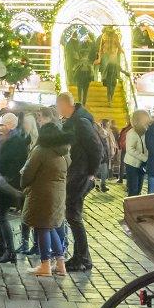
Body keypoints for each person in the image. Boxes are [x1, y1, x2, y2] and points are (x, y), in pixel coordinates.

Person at [54, 91, 101, 272]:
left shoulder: (80, 122)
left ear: (65, 105)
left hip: (80, 173)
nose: (58, 110)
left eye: (59, 106)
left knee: (73, 214)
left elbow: (95, 147)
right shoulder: (76, 120)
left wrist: (91, 172)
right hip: (78, 171)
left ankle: (82, 258)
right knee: (73, 215)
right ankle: (81, 257)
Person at [22, 120, 72, 278]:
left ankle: (45, 265)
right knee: (52, 227)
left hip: (42, 194)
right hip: (58, 194)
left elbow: (28, 173)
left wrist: (23, 183)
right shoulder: (64, 152)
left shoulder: (41, 150)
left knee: (42, 227)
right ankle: (60, 264)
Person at [0, 112, 30, 263]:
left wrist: (6, 177)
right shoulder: (5, 139)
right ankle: (2, 248)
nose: (0, 127)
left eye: (3, 125)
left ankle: (10, 251)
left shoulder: (16, 142)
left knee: (1, 216)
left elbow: (15, 163)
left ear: (10, 126)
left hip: (7, 183)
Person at [121, 111, 149, 196]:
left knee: (139, 188)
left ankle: (137, 206)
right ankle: (131, 207)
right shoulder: (132, 132)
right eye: (145, 117)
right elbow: (130, 149)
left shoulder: (146, 130)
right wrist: (145, 158)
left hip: (141, 164)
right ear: (139, 119)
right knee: (133, 188)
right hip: (132, 164)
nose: (148, 119)